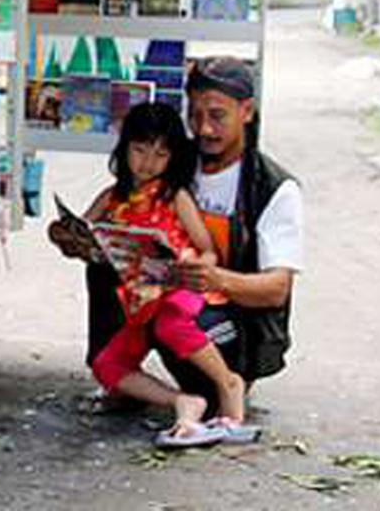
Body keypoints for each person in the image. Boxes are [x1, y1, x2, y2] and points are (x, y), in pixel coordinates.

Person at [52, 57, 303, 421]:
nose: (203, 129)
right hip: (156, 295)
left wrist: (214, 278)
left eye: (217, 116)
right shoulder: (176, 160)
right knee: (104, 270)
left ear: (246, 111)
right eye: (195, 116)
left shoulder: (273, 188)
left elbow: (277, 288)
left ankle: (223, 383)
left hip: (220, 315)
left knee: (189, 346)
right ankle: (127, 385)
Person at [71, 103, 251, 447]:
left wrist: (201, 267)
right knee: (106, 364)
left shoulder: (174, 197)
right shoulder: (111, 198)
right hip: (139, 300)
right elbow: (83, 232)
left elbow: (207, 247)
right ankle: (183, 403)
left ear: (172, 158)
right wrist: (72, 240)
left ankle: (228, 383)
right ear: (124, 149)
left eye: (160, 154)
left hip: (178, 290)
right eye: (139, 150)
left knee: (170, 322)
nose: (147, 162)